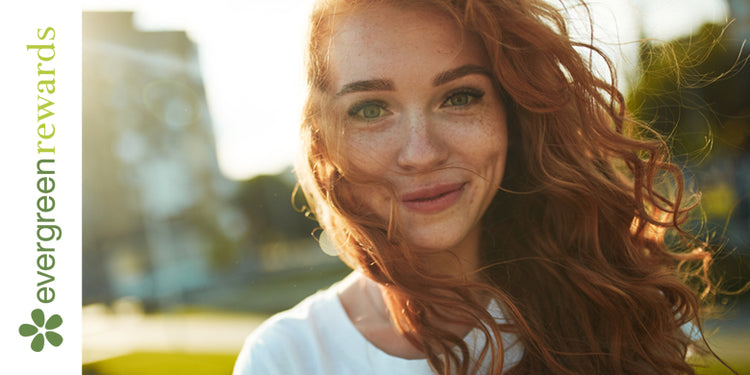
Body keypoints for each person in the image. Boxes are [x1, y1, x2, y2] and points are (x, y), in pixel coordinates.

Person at [234, 0, 717, 374]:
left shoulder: (618, 308)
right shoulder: (288, 358)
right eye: (370, 109)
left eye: (459, 97)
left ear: (512, 113)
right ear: (324, 140)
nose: (421, 153)